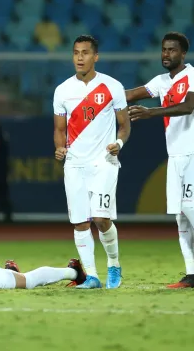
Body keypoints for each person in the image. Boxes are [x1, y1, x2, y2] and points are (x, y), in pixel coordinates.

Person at [125, 32, 194, 288]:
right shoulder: (160, 81)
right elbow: (132, 94)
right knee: (180, 215)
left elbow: (188, 106)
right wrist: (97, 96)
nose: (166, 54)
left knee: (191, 207)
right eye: (163, 50)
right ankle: (191, 273)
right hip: (176, 154)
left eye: (171, 50)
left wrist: (151, 113)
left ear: (183, 54)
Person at [53, 35, 131, 289]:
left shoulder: (112, 86)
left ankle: (114, 264)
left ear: (95, 57)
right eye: (76, 52)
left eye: (85, 53)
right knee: (80, 221)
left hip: (103, 162)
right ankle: (93, 276)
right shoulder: (63, 90)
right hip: (75, 163)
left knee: (100, 218)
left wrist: (117, 145)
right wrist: (59, 147)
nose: (79, 57)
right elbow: (59, 129)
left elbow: (124, 125)